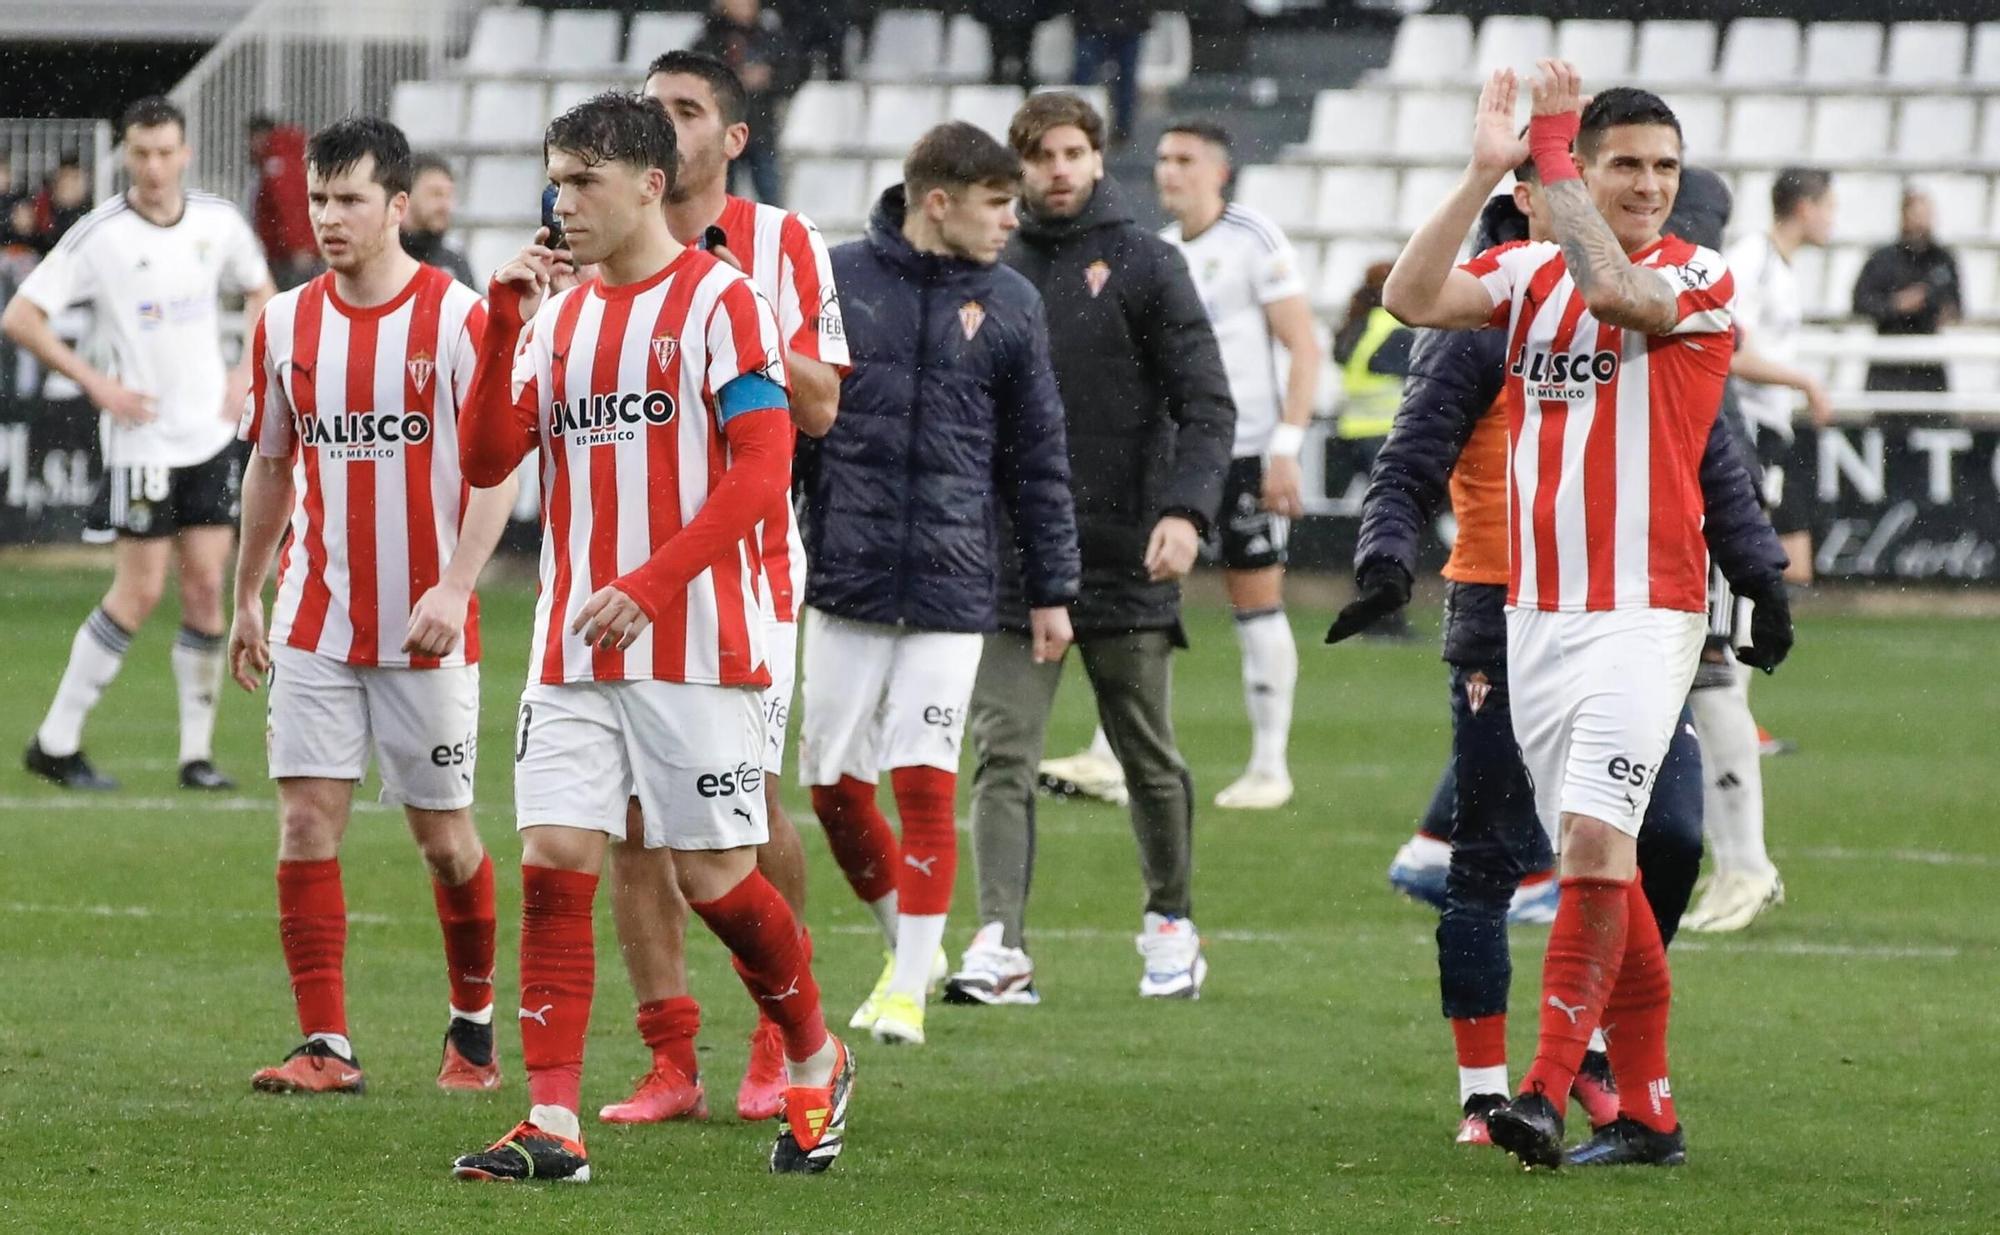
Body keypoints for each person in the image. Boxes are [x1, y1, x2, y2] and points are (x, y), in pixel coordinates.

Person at [1382, 63, 1790, 1169]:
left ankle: (1544, 1090)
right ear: (1579, 171)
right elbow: (1410, 298)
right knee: (1595, 863)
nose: (1651, 184)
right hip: (1535, 610)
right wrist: (1481, 176)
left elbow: (1619, 296)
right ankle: (1651, 1114)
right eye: (1626, 164)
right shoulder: (1522, 268)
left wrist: (1550, 158)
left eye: (1664, 166)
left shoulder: (1696, 274)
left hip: (1644, 611)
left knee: (1596, 844)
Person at [451, 91, 851, 1182]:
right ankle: (552, 1121)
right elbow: (490, 459)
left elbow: (764, 465)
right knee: (556, 860)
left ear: (646, 182)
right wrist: (498, 325)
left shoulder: (723, 300)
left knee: (716, 876)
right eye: (554, 179)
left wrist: (654, 581)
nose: (560, 200)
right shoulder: (560, 315)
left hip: (696, 644)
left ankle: (814, 1048)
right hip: (573, 647)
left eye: (581, 180)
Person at [582, 48, 849, 1126]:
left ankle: (777, 1033)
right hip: (615, 568)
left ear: (731, 139)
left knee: (743, 807)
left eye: (687, 109)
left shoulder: (782, 245)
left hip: (743, 573)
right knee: (632, 817)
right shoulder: (596, 236)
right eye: (651, 107)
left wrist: (719, 323)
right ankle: (668, 1058)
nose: (665, 123)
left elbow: (823, 405)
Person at [227, 116, 513, 1097]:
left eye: (349, 198)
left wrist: (456, 582)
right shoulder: (285, 322)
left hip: (426, 627)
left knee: (443, 839)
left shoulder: (458, 317)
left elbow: (495, 471)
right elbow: (270, 465)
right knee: (306, 822)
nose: (329, 217)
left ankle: (472, 1027)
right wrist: (247, 597)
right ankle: (325, 1044)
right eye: (318, 198)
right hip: (316, 617)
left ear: (398, 206)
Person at [951, 92, 1233, 1005]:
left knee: (1147, 756)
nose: (1059, 169)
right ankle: (999, 944)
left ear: (1098, 157)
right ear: (1018, 166)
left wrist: (1186, 511)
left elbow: (1207, 403)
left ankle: (1171, 926)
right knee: (1003, 753)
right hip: (1012, 562)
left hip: (1125, 556)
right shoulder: (985, 269)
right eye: (1041, 156)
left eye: (1073, 152)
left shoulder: (1149, 263)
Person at [799, 121, 1079, 1043]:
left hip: (957, 587)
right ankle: (905, 946)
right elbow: (794, 433)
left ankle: (910, 989)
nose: (1013, 219)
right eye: (999, 204)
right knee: (834, 786)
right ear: (939, 202)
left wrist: (1052, 588)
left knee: (925, 781)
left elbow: (1037, 458)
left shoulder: (1012, 302)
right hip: (845, 577)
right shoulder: (836, 280)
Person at [7, 96, 276, 793]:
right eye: (141, 153)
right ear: (125, 155)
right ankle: (55, 739)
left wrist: (246, 373)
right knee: (140, 588)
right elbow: (21, 316)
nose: (153, 166)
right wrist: (98, 384)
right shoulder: (101, 236)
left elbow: (262, 292)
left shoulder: (217, 222)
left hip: (209, 436)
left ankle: (196, 755)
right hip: (141, 441)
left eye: (164, 152)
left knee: (207, 584)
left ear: (184, 153)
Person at [1684, 168, 1838, 935]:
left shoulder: (1698, 270)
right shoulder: (1721, 264)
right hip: (1711, 465)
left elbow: (1718, 363)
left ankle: (1743, 863)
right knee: (1698, 679)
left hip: (1714, 469)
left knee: (1713, 676)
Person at [1152, 118, 1319, 809]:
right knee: (1142, 599)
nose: (1169, 171)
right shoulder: (1159, 252)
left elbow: (1303, 347)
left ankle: (1270, 764)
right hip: (1176, 452)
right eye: (1162, 158)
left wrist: (1286, 446)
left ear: (1218, 172)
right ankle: (1121, 751)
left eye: (1185, 159)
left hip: (1248, 449)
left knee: (1254, 600)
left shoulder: (1253, 238)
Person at [694, 0, 804, 206]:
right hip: (723, 132)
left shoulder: (768, 37)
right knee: (721, 201)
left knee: (771, 198)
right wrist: (735, 80)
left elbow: (792, 73)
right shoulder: (711, 38)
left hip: (760, 131)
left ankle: (777, 237)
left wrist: (768, 78)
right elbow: (698, 78)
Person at [1852, 187, 1960, 395]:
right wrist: (1897, 304)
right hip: (1889, 362)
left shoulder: (1943, 259)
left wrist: (1942, 310)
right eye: (1917, 214)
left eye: (1927, 215)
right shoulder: (1883, 259)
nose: (1922, 222)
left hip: (1929, 364)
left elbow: (1956, 306)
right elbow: (1861, 303)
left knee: (1934, 421)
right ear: (1903, 216)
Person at [248, 115, 318, 290]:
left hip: (288, 255)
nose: (249, 146)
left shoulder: (277, 161)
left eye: (251, 139)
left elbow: (289, 205)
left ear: (260, 136)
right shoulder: (287, 157)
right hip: (287, 250)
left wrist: (299, 245)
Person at [1073, 0, 1153, 147]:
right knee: (1087, 80)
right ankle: (1081, 126)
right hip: (1097, 19)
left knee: (1123, 80)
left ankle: (1120, 129)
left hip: (1118, 19)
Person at [400, 154, 476, 286]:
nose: (446, 206)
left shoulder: (455, 264)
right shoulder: (381, 259)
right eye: (436, 193)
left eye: (449, 196)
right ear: (406, 196)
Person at [975, 0, 1050, 93]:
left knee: (1000, 41)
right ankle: (1021, 74)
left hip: (1000, 11)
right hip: (1022, 11)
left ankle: (1000, 74)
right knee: (1022, 41)